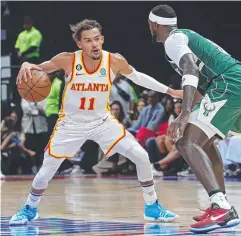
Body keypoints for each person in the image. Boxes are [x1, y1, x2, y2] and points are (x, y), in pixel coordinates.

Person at [9, 19, 183, 226]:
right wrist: (28, 64)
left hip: (102, 122)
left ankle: (152, 206)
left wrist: (170, 90)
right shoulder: (67, 60)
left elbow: (138, 77)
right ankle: (30, 208)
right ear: (79, 44)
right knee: (46, 171)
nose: (94, 44)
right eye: (88, 40)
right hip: (71, 125)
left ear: (102, 39)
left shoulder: (114, 60)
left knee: (141, 156)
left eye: (97, 39)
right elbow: (37, 68)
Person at [148, 4, 240, 233]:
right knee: (203, 143)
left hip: (228, 84)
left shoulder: (173, 40)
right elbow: (198, 84)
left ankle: (221, 207)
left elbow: (191, 70)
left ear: (154, 25)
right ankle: (221, 205)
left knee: (186, 142)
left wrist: (185, 112)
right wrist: (192, 113)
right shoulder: (183, 37)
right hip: (230, 84)